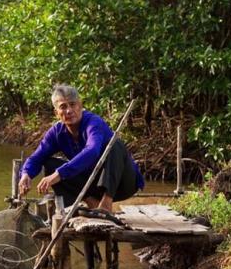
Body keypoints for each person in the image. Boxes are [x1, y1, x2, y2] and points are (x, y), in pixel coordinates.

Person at [18, 84, 144, 215]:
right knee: (49, 164)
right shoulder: (57, 132)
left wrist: (59, 174)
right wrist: (26, 174)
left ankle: (106, 204)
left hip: (121, 184)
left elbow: (92, 150)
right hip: (93, 183)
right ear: (56, 113)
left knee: (115, 144)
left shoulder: (93, 122)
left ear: (80, 105)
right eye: (63, 107)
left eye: (72, 104)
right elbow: (37, 157)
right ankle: (92, 204)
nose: (69, 111)